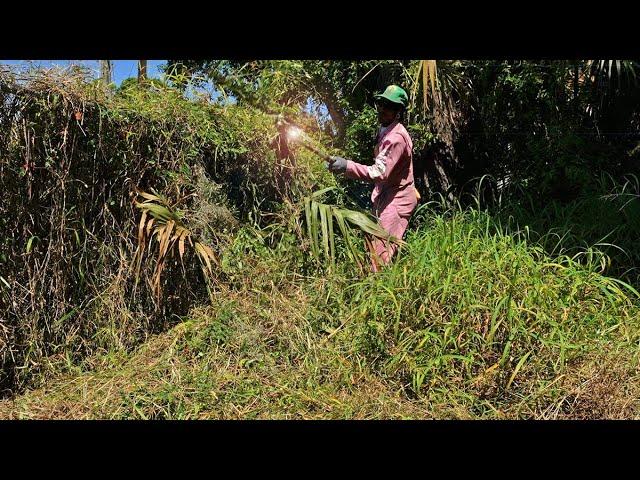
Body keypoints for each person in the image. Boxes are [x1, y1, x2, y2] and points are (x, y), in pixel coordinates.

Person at [328, 85, 418, 272]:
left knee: (380, 256)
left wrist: (347, 166)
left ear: (398, 111)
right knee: (372, 246)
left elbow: (379, 172)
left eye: (390, 106)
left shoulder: (397, 138)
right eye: (382, 104)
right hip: (384, 195)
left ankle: (380, 294)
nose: (384, 109)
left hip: (397, 200)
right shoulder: (384, 129)